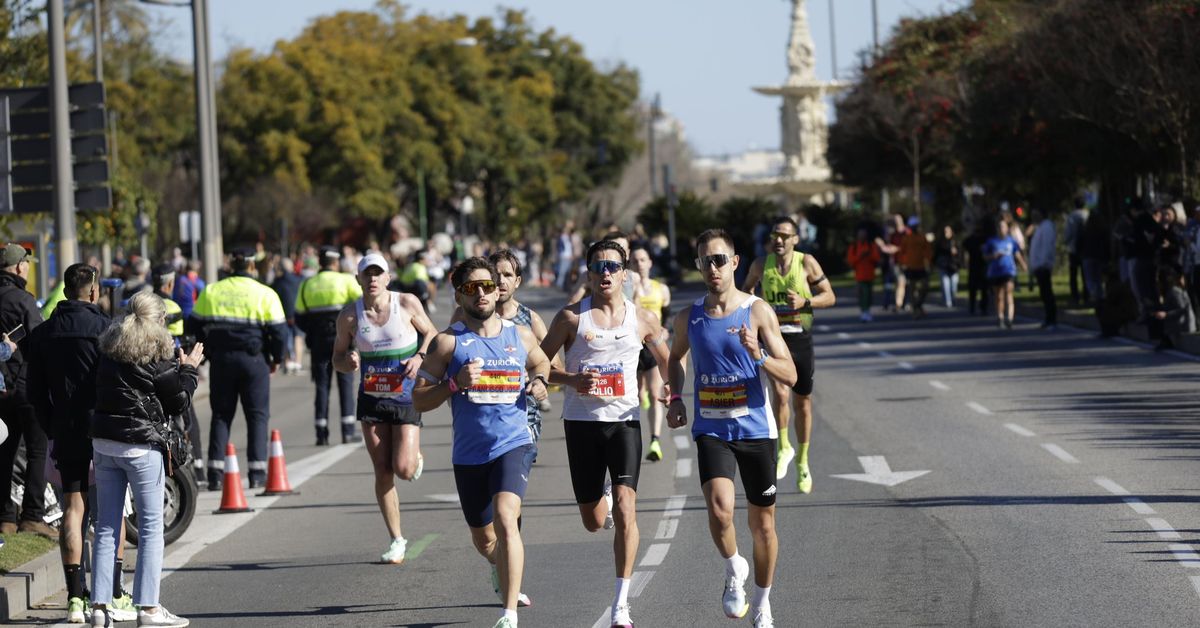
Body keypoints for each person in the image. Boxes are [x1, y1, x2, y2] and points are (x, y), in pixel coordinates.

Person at [665, 228, 796, 628]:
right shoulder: (689, 317)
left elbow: (789, 372)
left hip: (757, 430)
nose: (713, 268)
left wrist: (757, 356)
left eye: (720, 260)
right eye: (706, 261)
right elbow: (675, 359)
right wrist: (674, 398)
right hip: (713, 430)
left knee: (763, 524)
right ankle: (732, 567)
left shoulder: (757, 312)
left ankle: (762, 603)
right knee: (721, 511)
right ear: (699, 267)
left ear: (735, 262)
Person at [539, 239, 671, 628]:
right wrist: (571, 379)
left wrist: (673, 391)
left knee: (628, 510)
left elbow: (669, 361)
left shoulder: (643, 318)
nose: (606, 274)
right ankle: (605, 500)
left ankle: (621, 604)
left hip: (625, 422)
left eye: (613, 267)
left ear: (625, 273)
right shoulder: (570, 318)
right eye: (598, 267)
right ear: (589, 274)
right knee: (594, 521)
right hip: (581, 425)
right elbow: (539, 367)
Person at [413, 257, 551, 628]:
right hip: (470, 454)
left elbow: (541, 363)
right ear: (459, 294)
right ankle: (498, 565)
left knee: (508, 519)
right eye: (472, 288)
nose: (482, 293)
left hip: (514, 442)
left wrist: (538, 382)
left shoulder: (518, 335)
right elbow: (418, 398)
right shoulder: (447, 344)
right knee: (485, 540)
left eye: (487, 285)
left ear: (497, 289)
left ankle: (508, 613)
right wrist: (454, 383)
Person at [27, 264, 138, 623]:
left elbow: (34, 391)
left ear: (64, 291)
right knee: (112, 511)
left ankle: (75, 599)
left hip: (66, 430)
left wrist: (52, 426)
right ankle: (115, 593)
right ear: (93, 292)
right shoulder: (107, 328)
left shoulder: (44, 333)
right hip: (104, 429)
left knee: (73, 510)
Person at [88, 291, 204, 628]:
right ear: (159, 320)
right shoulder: (158, 352)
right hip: (140, 446)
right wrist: (190, 370)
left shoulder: (109, 347)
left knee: (108, 525)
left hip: (105, 442)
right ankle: (149, 608)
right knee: (152, 526)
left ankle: (100, 606)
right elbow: (178, 401)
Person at [332, 253, 437, 565]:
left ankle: (413, 456)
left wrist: (419, 357)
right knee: (382, 469)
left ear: (388, 278)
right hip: (372, 398)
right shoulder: (350, 317)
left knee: (403, 468)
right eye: (367, 274)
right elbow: (336, 358)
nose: (373, 279)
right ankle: (396, 538)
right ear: (359, 280)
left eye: (378, 274)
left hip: (405, 395)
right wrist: (347, 361)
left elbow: (432, 334)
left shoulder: (405, 303)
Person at [740, 216, 834, 492]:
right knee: (780, 393)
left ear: (795, 239)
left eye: (784, 236)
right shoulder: (760, 265)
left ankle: (803, 462)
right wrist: (755, 309)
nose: (778, 240)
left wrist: (806, 302)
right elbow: (745, 293)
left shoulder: (806, 263)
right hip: (774, 337)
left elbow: (830, 295)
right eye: (775, 235)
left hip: (801, 338)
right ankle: (784, 447)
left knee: (802, 402)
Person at [187, 249, 287, 490]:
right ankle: (257, 474)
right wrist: (275, 358)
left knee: (221, 416)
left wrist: (208, 352)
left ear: (231, 265)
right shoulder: (266, 293)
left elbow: (195, 326)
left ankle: (215, 474)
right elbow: (280, 333)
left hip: (222, 361)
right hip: (255, 361)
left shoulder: (212, 290)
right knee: (257, 415)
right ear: (253, 267)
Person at [450, 249, 552, 455]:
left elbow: (550, 363)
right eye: (496, 276)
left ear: (518, 281)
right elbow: (453, 356)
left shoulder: (529, 319)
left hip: (522, 414)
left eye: (507, 275)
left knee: (512, 474)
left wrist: (536, 378)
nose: (501, 281)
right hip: (480, 420)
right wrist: (455, 387)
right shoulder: (466, 314)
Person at [0, 243, 53, 538]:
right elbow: (40, 341)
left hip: (0, 389)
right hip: (24, 386)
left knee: (3, 452)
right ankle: (32, 515)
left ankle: (5, 517)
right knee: (37, 449)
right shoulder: (23, 299)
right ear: (20, 267)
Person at [296, 247, 363, 445]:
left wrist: (312, 331)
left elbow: (299, 315)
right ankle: (348, 431)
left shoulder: (307, 284)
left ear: (320, 262)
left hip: (318, 342)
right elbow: (361, 306)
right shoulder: (346, 281)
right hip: (344, 339)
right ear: (335, 262)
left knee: (321, 386)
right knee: (345, 384)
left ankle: (321, 432)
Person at [628, 243, 672, 461]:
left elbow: (667, 318)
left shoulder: (661, 289)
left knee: (656, 395)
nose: (639, 264)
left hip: (652, 345)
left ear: (650, 263)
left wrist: (665, 330)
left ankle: (655, 440)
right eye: (634, 261)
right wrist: (634, 289)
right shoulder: (626, 290)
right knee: (635, 395)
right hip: (632, 346)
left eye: (643, 260)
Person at [984, 220, 1027, 329]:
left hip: (1008, 271)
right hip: (995, 272)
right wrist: (994, 256)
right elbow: (985, 256)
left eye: (1003, 226)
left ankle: (1010, 318)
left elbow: (1017, 254)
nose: (1001, 229)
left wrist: (1023, 265)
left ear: (1007, 228)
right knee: (999, 296)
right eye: (999, 226)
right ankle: (1000, 317)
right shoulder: (991, 241)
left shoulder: (1011, 241)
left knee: (1008, 292)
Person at [270, 258, 305, 374]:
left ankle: (287, 362)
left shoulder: (277, 281)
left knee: (284, 338)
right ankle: (298, 363)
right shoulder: (299, 279)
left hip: (283, 313)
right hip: (297, 312)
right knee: (298, 338)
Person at [896, 216, 933, 318]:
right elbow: (901, 253)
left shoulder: (922, 237)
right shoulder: (906, 238)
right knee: (912, 289)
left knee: (925, 286)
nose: (915, 228)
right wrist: (901, 264)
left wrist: (928, 263)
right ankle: (915, 310)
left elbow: (928, 251)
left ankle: (918, 304)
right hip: (910, 267)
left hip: (921, 266)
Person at [1028, 210, 1058, 329]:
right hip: (1038, 265)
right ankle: (1048, 319)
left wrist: (1044, 263)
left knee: (1047, 293)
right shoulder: (1040, 227)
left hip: (1043, 265)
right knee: (1044, 294)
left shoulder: (1046, 227)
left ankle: (1052, 320)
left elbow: (1047, 246)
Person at [845, 229, 881, 322]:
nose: (862, 238)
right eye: (861, 236)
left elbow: (877, 258)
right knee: (862, 294)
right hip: (859, 276)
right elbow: (850, 260)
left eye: (864, 236)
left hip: (870, 275)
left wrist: (869, 255)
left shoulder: (871, 246)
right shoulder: (854, 247)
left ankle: (867, 311)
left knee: (869, 294)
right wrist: (860, 256)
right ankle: (864, 311)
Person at [1065, 198, 1090, 304]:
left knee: (1073, 274)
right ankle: (1086, 295)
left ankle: (1075, 296)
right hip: (1086, 248)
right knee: (1085, 274)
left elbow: (1068, 233)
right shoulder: (1088, 215)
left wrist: (1066, 241)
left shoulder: (1072, 216)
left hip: (1074, 249)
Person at [933, 225, 961, 308]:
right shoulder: (940, 243)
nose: (946, 233)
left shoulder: (955, 242)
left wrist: (956, 253)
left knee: (953, 286)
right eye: (945, 231)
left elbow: (960, 254)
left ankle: (952, 298)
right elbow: (936, 254)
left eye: (948, 231)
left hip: (954, 267)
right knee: (945, 285)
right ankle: (948, 302)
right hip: (943, 266)